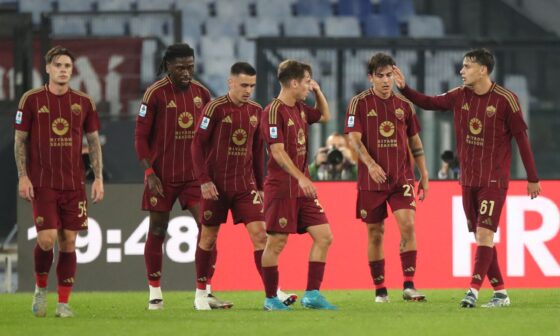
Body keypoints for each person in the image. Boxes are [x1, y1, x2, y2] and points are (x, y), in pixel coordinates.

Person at [393, 48, 541, 308]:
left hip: (493, 180)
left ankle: (472, 291)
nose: (461, 71)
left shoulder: (507, 100)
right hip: (468, 180)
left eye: (467, 66)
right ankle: (501, 294)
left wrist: (532, 177)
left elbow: (521, 139)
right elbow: (428, 102)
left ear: (483, 69)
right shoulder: (459, 96)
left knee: (485, 235)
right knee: (481, 237)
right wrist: (405, 88)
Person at [191, 62, 297, 310]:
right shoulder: (214, 108)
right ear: (230, 83)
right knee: (208, 237)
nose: (248, 90)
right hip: (215, 185)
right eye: (243, 85)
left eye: (252, 85)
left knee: (261, 235)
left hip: (244, 186)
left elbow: (258, 150)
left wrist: (260, 185)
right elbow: (197, 145)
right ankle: (201, 294)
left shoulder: (257, 110)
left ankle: (274, 292)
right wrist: (204, 180)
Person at [134, 43, 228, 310]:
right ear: (167, 67)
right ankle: (155, 293)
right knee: (157, 230)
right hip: (162, 176)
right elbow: (140, 138)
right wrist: (150, 172)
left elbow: (212, 136)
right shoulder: (154, 94)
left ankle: (206, 291)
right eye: (180, 68)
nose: (187, 72)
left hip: (193, 178)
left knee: (207, 229)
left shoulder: (202, 93)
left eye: (190, 67)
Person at [14, 46, 104, 318]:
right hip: (42, 182)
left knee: (68, 242)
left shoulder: (84, 102)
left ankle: (63, 303)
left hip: (74, 184)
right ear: (48, 69)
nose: (63, 69)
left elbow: (93, 141)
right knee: (46, 239)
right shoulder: (30, 100)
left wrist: (98, 178)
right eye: (59, 65)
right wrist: (22, 175)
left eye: (67, 66)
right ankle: (41, 290)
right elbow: (20, 141)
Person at [344, 53, 429, 303]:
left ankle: (409, 285)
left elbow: (414, 140)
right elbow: (353, 139)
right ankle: (380, 289)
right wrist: (370, 164)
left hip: (401, 178)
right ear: (370, 77)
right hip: (371, 181)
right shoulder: (358, 103)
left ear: (394, 75)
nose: (385, 81)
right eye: (379, 76)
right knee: (376, 233)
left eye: (389, 75)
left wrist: (423, 173)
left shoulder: (405, 106)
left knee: (408, 225)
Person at [260, 60, 336, 311]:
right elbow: (277, 152)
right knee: (277, 243)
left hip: (303, 189)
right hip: (282, 188)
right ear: (293, 83)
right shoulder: (273, 111)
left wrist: (318, 92)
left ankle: (312, 294)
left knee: (324, 236)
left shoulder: (301, 108)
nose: (308, 86)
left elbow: (325, 116)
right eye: (306, 82)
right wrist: (301, 177)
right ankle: (271, 298)